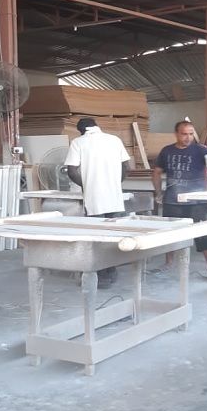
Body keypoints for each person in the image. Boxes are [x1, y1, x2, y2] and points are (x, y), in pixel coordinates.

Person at [65, 117, 131, 288]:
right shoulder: (114, 140)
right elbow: (127, 167)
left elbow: (71, 171)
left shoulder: (78, 142)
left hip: (94, 199)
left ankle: (102, 277)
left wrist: (86, 185)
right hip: (114, 198)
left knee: (96, 238)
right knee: (112, 236)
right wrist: (115, 184)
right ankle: (112, 271)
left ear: (81, 131)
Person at [152, 121, 207, 282]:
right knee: (169, 234)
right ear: (176, 134)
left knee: (203, 235)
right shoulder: (167, 151)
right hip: (172, 200)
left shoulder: (201, 150)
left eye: (190, 134)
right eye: (184, 134)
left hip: (196, 202)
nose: (188, 137)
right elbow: (157, 172)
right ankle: (168, 262)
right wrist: (158, 192)